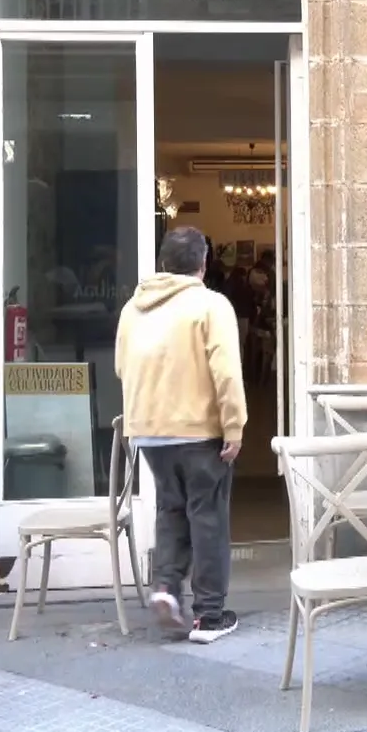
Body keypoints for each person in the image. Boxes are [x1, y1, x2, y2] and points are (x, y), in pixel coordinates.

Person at [115, 226, 246, 644]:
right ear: (204, 264)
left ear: (163, 264)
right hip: (197, 429)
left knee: (171, 511)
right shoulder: (210, 305)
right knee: (207, 517)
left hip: (149, 433)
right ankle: (209, 615)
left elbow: (121, 367)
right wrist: (234, 425)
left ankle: (167, 589)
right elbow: (225, 370)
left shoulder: (132, 310)